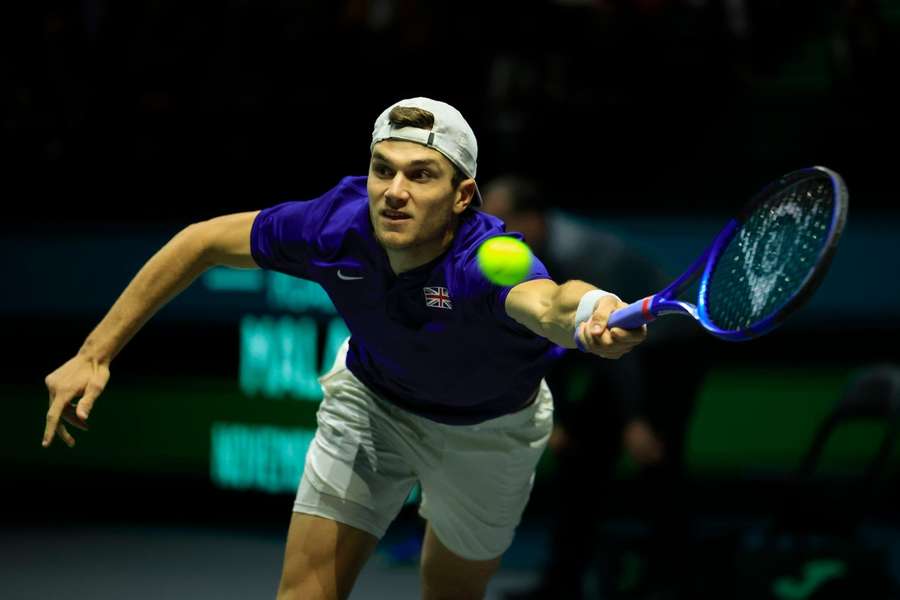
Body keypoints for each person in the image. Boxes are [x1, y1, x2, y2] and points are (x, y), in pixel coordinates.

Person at [42, 97, 647, 600]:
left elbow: (550, 303)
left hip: (488, 433)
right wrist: (95, 354)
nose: (393, 191)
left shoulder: (484, 262)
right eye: (383, 169)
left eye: (421, 174)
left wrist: (593, 311)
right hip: (374, 405)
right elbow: (200, 242)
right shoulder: (335, 225)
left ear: (463, 197)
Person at [483, 175, 706, 600]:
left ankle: (674, 580)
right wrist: (560, 416)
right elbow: (546, 338)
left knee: (657, 462)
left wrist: (637, 419)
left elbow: (624, 344)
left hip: (666, 354)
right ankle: (563, 583)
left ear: (530, 218)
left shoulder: (579, 253)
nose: (491, 229)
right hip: (619, 360)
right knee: (579, 462)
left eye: (500, 218)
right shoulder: (527, 256)